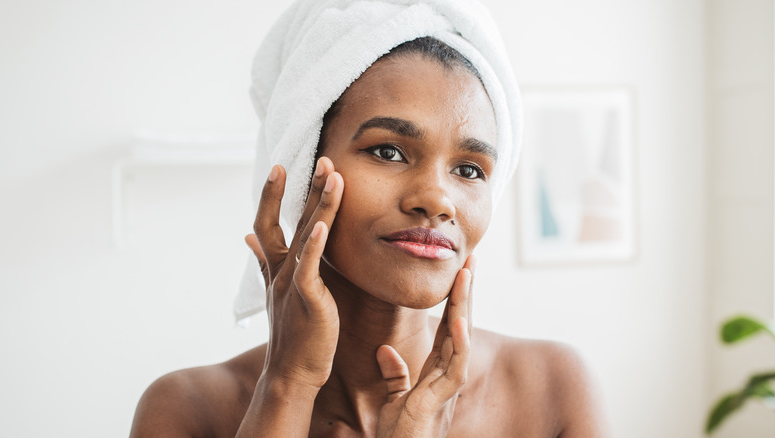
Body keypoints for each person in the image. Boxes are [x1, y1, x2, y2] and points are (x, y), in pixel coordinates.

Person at [130, 1, 609, 437]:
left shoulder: (552, 389)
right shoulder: (187, 410)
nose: (437, 200)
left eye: (468, 169)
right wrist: (287, 387)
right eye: (388, 151)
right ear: (303, 168)